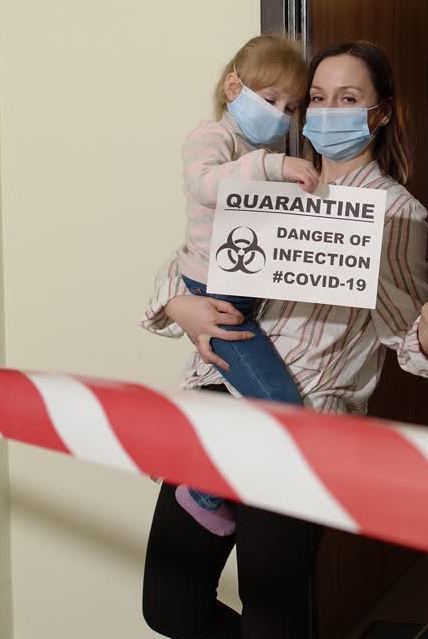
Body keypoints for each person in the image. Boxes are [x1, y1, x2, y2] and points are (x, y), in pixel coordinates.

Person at [141, 40, 428, 639]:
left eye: (349, 98)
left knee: (272, 624)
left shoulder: (396, 214)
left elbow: (408, 345)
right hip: (215, 401)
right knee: (169, 606)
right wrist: (181, 306)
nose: (328, 110)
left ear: (379, 112)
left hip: (303, 428)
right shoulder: (266, 178)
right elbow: (189, 262)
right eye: (317, 98)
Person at [172, 34, 322, 538]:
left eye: (290, 106)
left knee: (262, 401)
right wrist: (275, 166)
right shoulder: (211, 138)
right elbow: (205, 184)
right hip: (216, 291)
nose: (281, 115)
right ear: (234, 86)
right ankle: (203, 490)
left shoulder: (252, 151)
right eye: (271, 100)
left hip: (239, 289)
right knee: (279, 404)